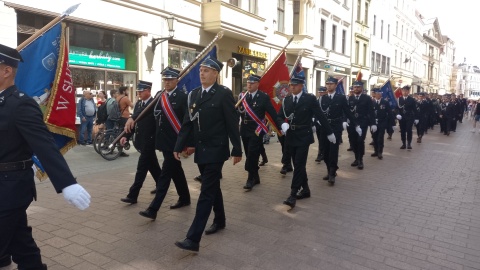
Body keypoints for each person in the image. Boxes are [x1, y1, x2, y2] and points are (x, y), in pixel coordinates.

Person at [0, 43, 90, 270]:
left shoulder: (20, 104)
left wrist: (67, 183)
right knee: (22, 246)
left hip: (10, 188)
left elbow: (44, 145)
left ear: (6, 70)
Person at [173, 57, 242, 252]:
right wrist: (179, 146)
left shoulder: (223, 94)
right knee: (211, 186)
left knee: (206, 192)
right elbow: (188, 123)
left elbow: (231, 123)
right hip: (201, 150)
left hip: (217, 150)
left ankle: (193, 239)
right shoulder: (194, 94)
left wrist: (237, 149)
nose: (202, 73)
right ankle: (220, 220)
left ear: (215, 74)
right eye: (201, 70)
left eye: (206, 70)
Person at [138, 68, 191, 220]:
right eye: (165, 80)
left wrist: (188, 143)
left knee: (165, 175)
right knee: (176, 171)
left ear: (177, 81)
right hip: (163, 141)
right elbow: (149, 113)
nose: (167, 82)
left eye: (170, 79)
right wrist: (132, 118)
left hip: (175, 143)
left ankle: (153, 209)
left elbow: (188, 122)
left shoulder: (183, 97)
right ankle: (185, 197)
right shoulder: (159, 96)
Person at [277, 74, 336, 208]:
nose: (292, 87)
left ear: (301, 86)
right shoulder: (286, 100)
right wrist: (282, 124)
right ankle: (306, 189)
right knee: (297, 164)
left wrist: (329, 132)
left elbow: (320, 115)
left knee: (298, 164)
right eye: (290, 85)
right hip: (291, 136)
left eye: (295, 85)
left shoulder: (309, 99)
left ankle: (293, 194)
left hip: (304, 135)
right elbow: (279, 116)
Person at [119, 80, 161, 204]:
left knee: (141, 169)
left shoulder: (154, 103)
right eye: (138, 91)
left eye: (141, 91)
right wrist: (126, 136)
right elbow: (134, 122)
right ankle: (161, 184)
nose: (139, 93)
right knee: (153, 166)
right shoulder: (138, 104)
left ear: (148, 91)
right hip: (140, 141)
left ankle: (133, 195)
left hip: (150, 140)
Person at [238, 74, 283, 190]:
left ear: (257, 84)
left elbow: (272, 113)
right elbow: (237, 113)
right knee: (249, 153)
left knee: (252, 155)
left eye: (252, 83)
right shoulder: (242, 96)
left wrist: (280, 126)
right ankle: (256, 177)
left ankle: (250, 178)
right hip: (244, 129)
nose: (249, 85)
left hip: (257, 130)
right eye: (248, 83)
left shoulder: (263, 97)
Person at [321, 77, 359, 184]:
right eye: (327, 84)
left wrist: (355, 124)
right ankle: (329, 170)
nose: (329, 86)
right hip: (325, 127)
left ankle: (332, 173)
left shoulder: (341, 98)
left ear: (335, 85)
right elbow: (318, 112)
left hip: (335, 127)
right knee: (325, 151)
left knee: (333, 151)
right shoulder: (322, 98)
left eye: (331, 84)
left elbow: (347, 112)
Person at [347, 81, 375, 169]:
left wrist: (373, 123)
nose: (356, 89)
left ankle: (360, 159)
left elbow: (371, 111)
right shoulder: (350, 98)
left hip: (362, 123)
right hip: (352, 123)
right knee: (353, 141)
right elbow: (346, 111)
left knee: (360, 141)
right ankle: (356, 158)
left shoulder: (366, 98)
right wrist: (345, 120)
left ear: (362, 88)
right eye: (355, 87)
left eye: (358, 87)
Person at [371, 87, 394, 159]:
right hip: (373, 122)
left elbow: (390, 113)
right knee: (374, 137)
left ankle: (380, 152)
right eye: (377, 94)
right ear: (375, 94)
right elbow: (368, 113)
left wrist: (393, 123)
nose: (378, 95)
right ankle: (375, 151)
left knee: (380, 138)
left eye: (380, 94)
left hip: (382, 122)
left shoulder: (385, 102)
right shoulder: (371, 102)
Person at [396, 85, 419, 149]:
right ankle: (403, 143)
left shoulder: (412, 100)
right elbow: (397, 108)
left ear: (408, 92)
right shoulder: (399, 99)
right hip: (402, 117)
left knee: (409, 130)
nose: (405, 92)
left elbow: (415, 109)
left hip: (409, 117)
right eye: (403, 91)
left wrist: (417, 118)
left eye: (406, 91)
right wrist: (397, 114)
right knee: (402, 131)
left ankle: (409, 143)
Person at [314, 86, 328, 163]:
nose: (320, 93)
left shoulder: (328, 100)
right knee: (320, 139)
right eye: (319, 92)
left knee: (323, 139)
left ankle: (321, 154)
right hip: (318, 123)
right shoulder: (316, 100)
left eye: (322, 92)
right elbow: (314, 111)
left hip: (325, 123)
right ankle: (322, 152)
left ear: (325, 92)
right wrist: (315, 120)